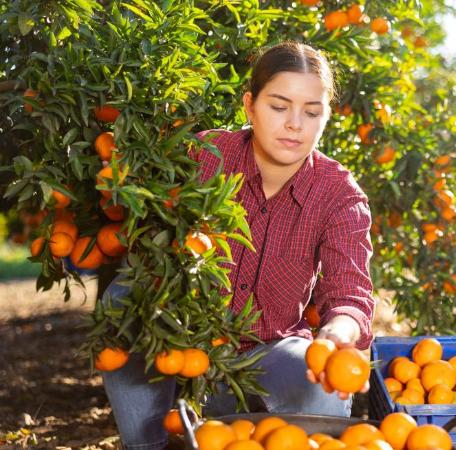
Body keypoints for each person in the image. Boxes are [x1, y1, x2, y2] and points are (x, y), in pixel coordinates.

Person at [102, 42, 376, 450]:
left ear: (327, 117)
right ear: (250, 106)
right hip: (184, 342)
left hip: (273, 347)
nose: (295, 125)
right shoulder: (203, 158)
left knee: (319, 374)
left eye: (312, 112)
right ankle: (146, 443)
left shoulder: (338, 194)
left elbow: (350, 294)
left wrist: (336, 334)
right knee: (121, 301)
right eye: (279, 107)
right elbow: (149, 251)